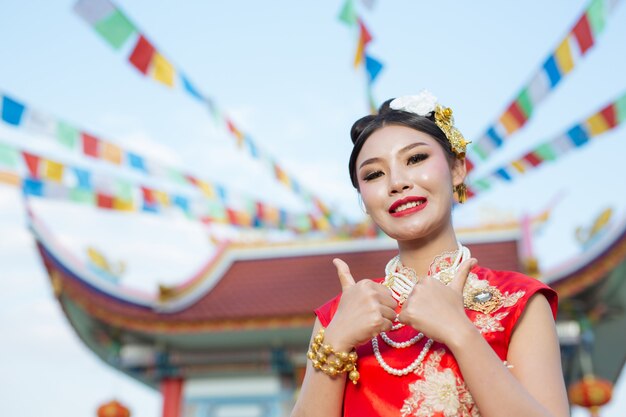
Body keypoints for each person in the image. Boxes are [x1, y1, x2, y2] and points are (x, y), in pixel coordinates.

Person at [291, 91, 570, 417]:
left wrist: (460, 332)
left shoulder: (519, 300)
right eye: (374, 174)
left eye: (415, 159)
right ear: (364, 201)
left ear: (457, 169)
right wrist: (335, 342)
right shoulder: (338, 317)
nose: (396, 182)